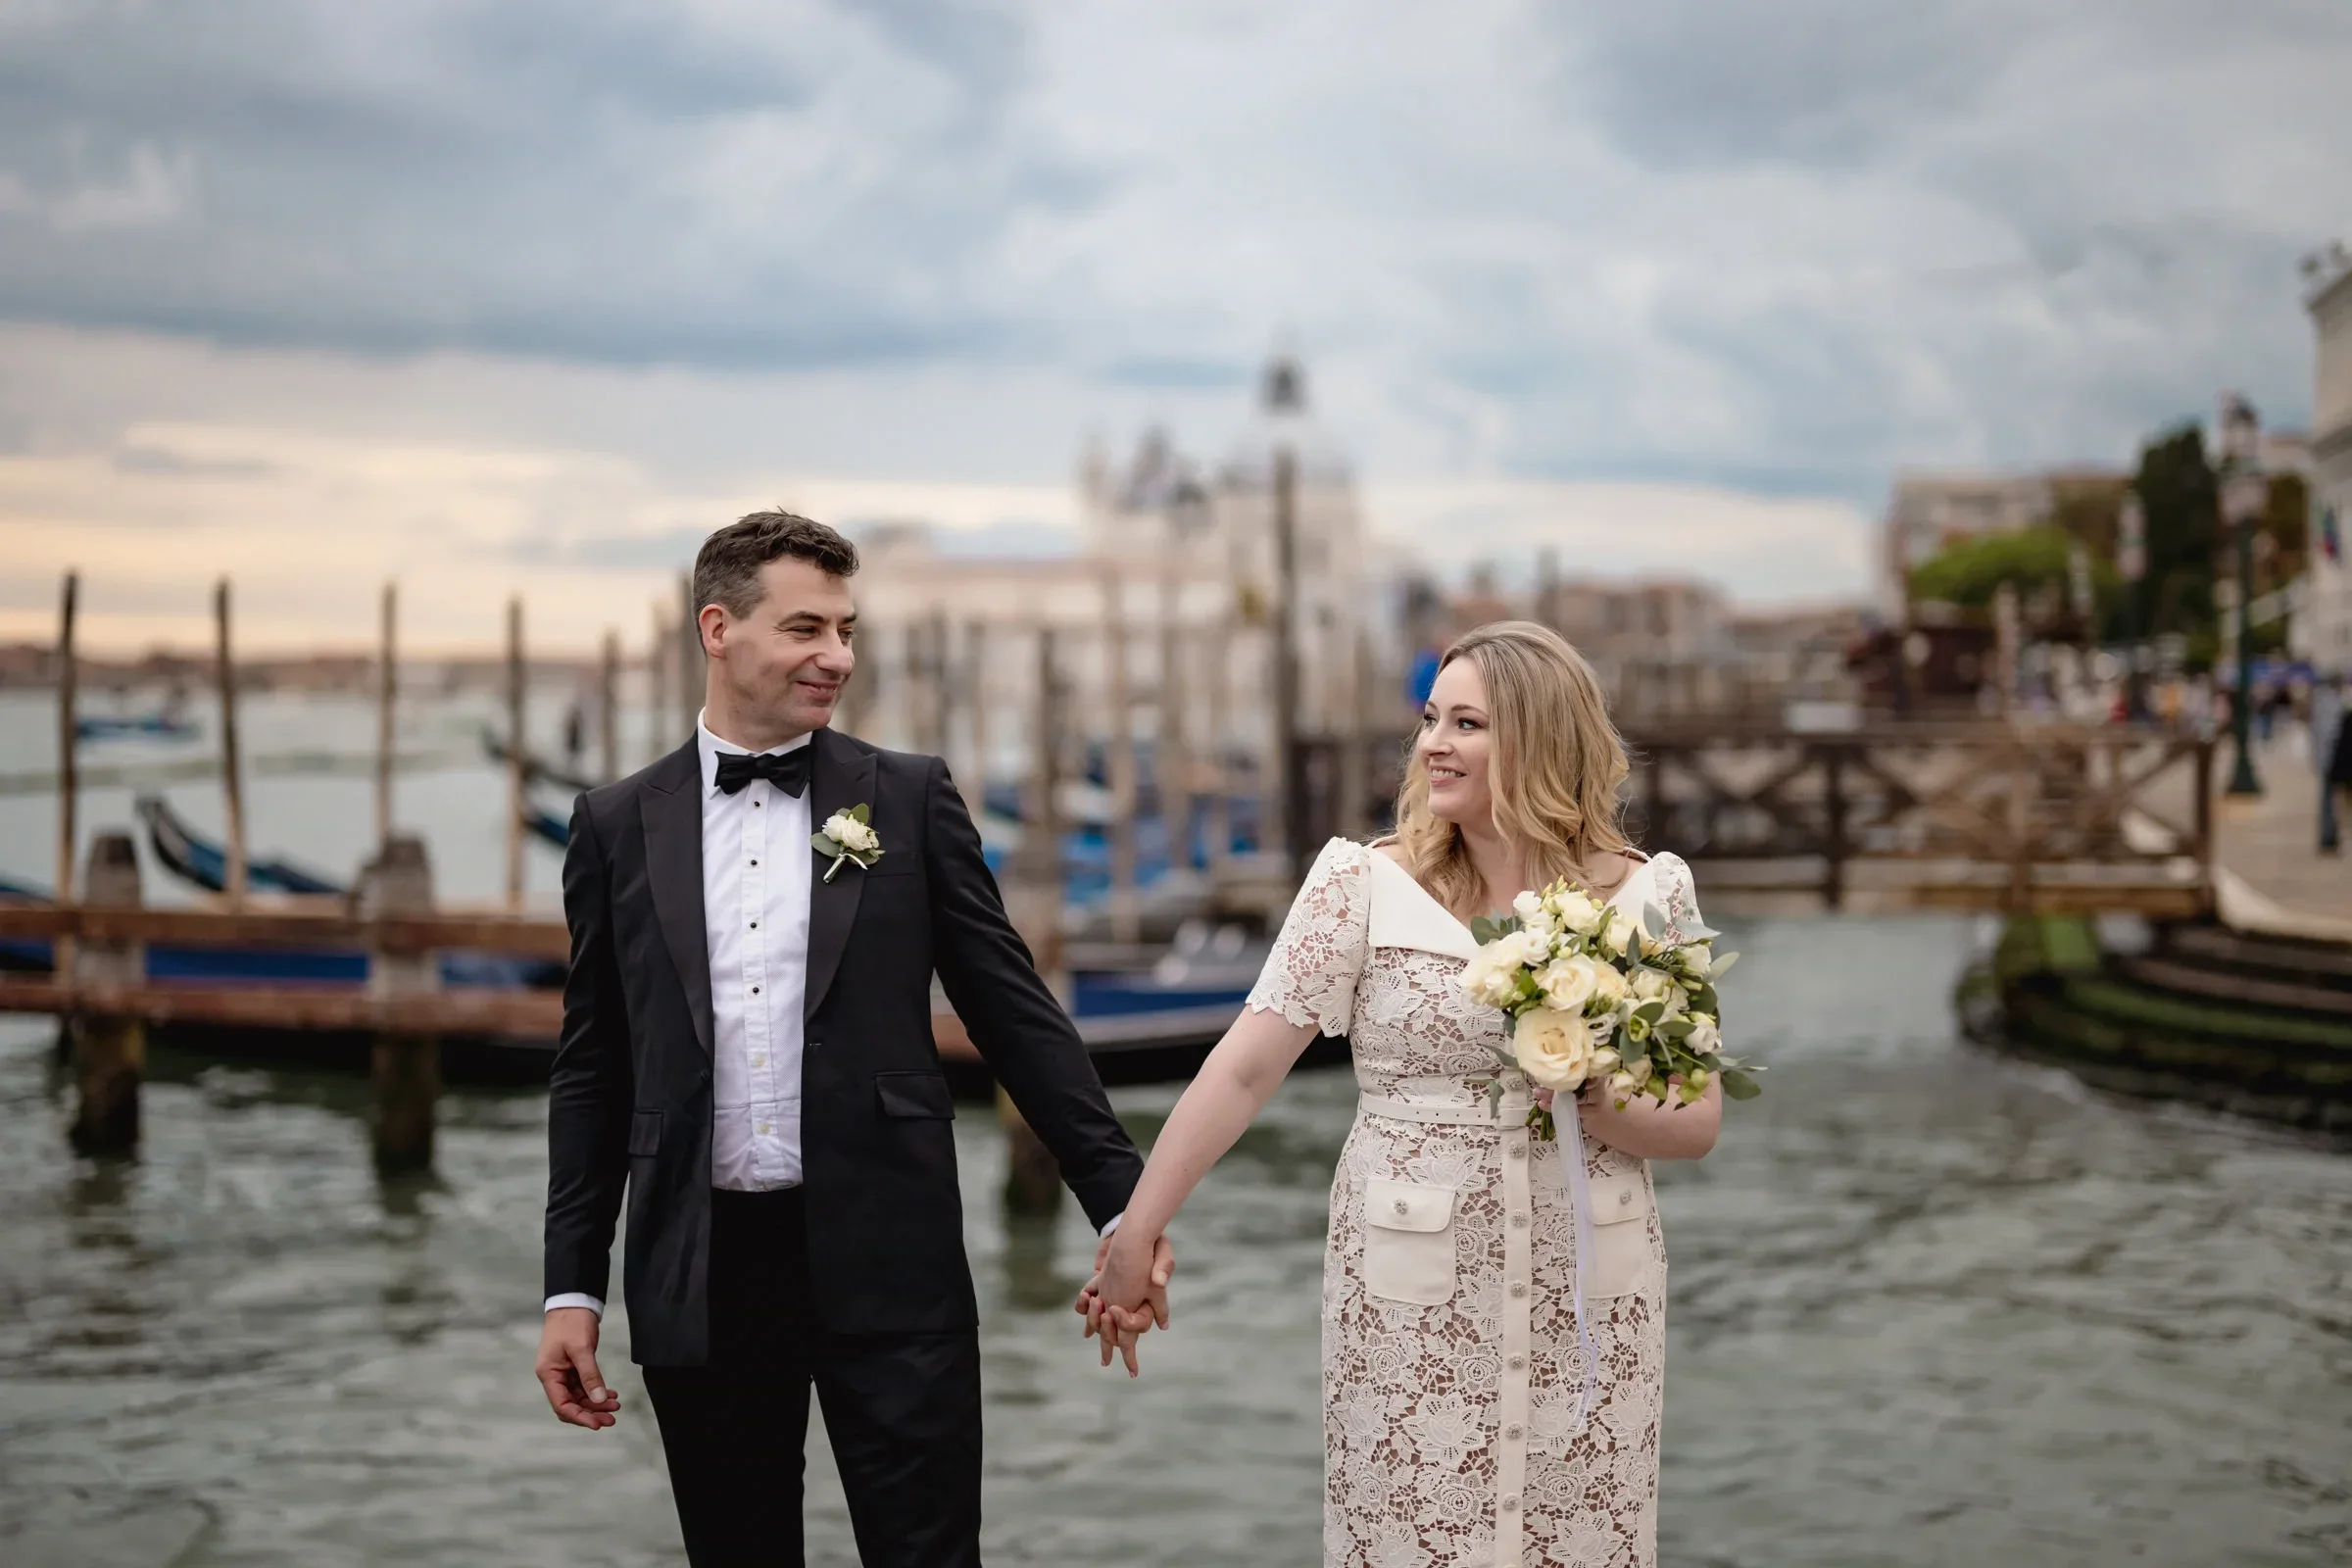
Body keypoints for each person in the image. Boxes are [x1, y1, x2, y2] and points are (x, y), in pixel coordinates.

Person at [531, 510, 1170, 1567]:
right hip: (699, 1269)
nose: (838, 657)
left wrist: (1125, 1207)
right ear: (718, 628)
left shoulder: (909, 799)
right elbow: (594, 1067)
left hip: (894, 1256)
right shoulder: (612, 824)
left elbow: (1014, 1014)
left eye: (847, 629)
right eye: (806, 629)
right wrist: (571, 1285)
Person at [1083, 620, 1721, 1567]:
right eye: (1431, 719)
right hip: (1410, 1293)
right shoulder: (1359, 884)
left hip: (1590, 1289)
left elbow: (1697, 1121)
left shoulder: (1649, 898)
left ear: (1542, 742)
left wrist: (1586, 1085)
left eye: (1466, 724)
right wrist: (1135, 1232)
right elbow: (1245, 1067)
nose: (1432, 745)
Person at [2317, 673, 2347, 853]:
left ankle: (2330, 834)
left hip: (2331, 760)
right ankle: (2329, 835)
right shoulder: (2329, 704)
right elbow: (2329, 735)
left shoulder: (2325, 703)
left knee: (2330, 800)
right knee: (2330, 800)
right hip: (2331, 760)